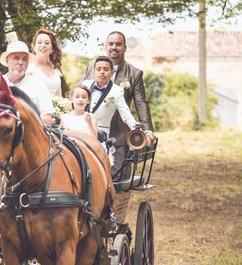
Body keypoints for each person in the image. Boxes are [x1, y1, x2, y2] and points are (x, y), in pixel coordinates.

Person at [80, 31, 156, 171]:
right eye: (111, 43)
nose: (114, 47)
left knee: (119, 179)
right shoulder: (92, 66)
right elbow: (79, 94)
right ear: (106, 46)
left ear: (125, 48)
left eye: (118, 44)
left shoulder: (134, 73)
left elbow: (141, 103)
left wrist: (147, 130)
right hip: (89, 132)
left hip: (120, 136)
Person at [82, 56, 140, 173]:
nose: (102, 72)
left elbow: (126, 114)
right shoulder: (85, 84)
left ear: (112, 72)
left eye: (106, 69)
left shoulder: (116, 91)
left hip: (100, 134)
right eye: (98, 69)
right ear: (94, 71)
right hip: (81, 130)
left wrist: (136, 128)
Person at [0, 41, 54, 125]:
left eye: (24, 59)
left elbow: (47, 118)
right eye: (16, 58)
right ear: (7, 60)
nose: (21, 62)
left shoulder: (38, 85)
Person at [27, 27, 63, 97]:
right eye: (39, 42)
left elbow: (59, 96)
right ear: (34, 47)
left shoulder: (55, 69)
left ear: (52, 49)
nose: (43, 45)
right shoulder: (29, 69)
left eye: (47, 43)